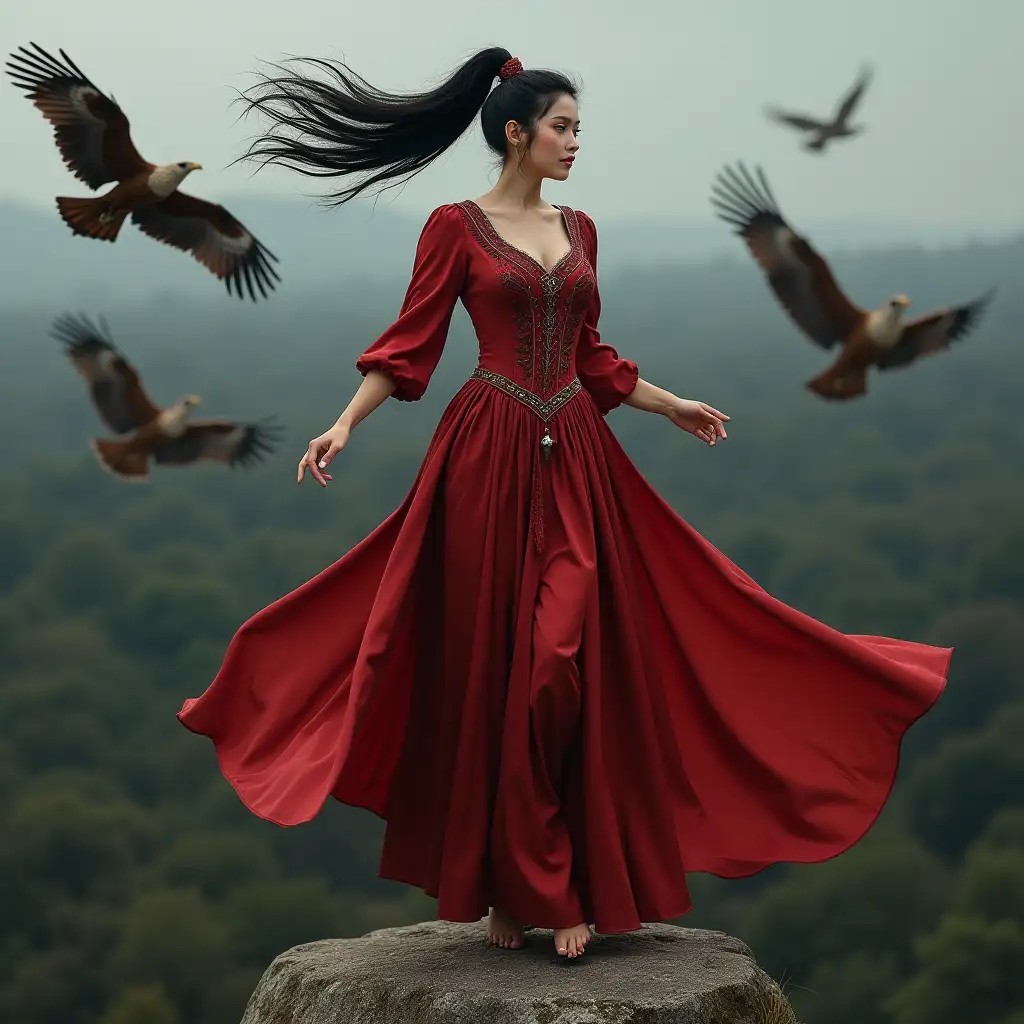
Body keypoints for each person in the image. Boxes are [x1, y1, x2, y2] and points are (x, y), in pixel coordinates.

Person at [177, 47, 951, 960]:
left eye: (580, 129)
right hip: (485, 459)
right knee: (499, 668)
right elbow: (410, 345)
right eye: (563, 127)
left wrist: (670, 406)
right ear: (517, 132)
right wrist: (343, 424)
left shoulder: (580, 228)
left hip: (578, 456)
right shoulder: (454, 226)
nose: (577, 143)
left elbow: (592, 354)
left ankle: (549, 872)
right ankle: (519, 887)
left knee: (560, 663)